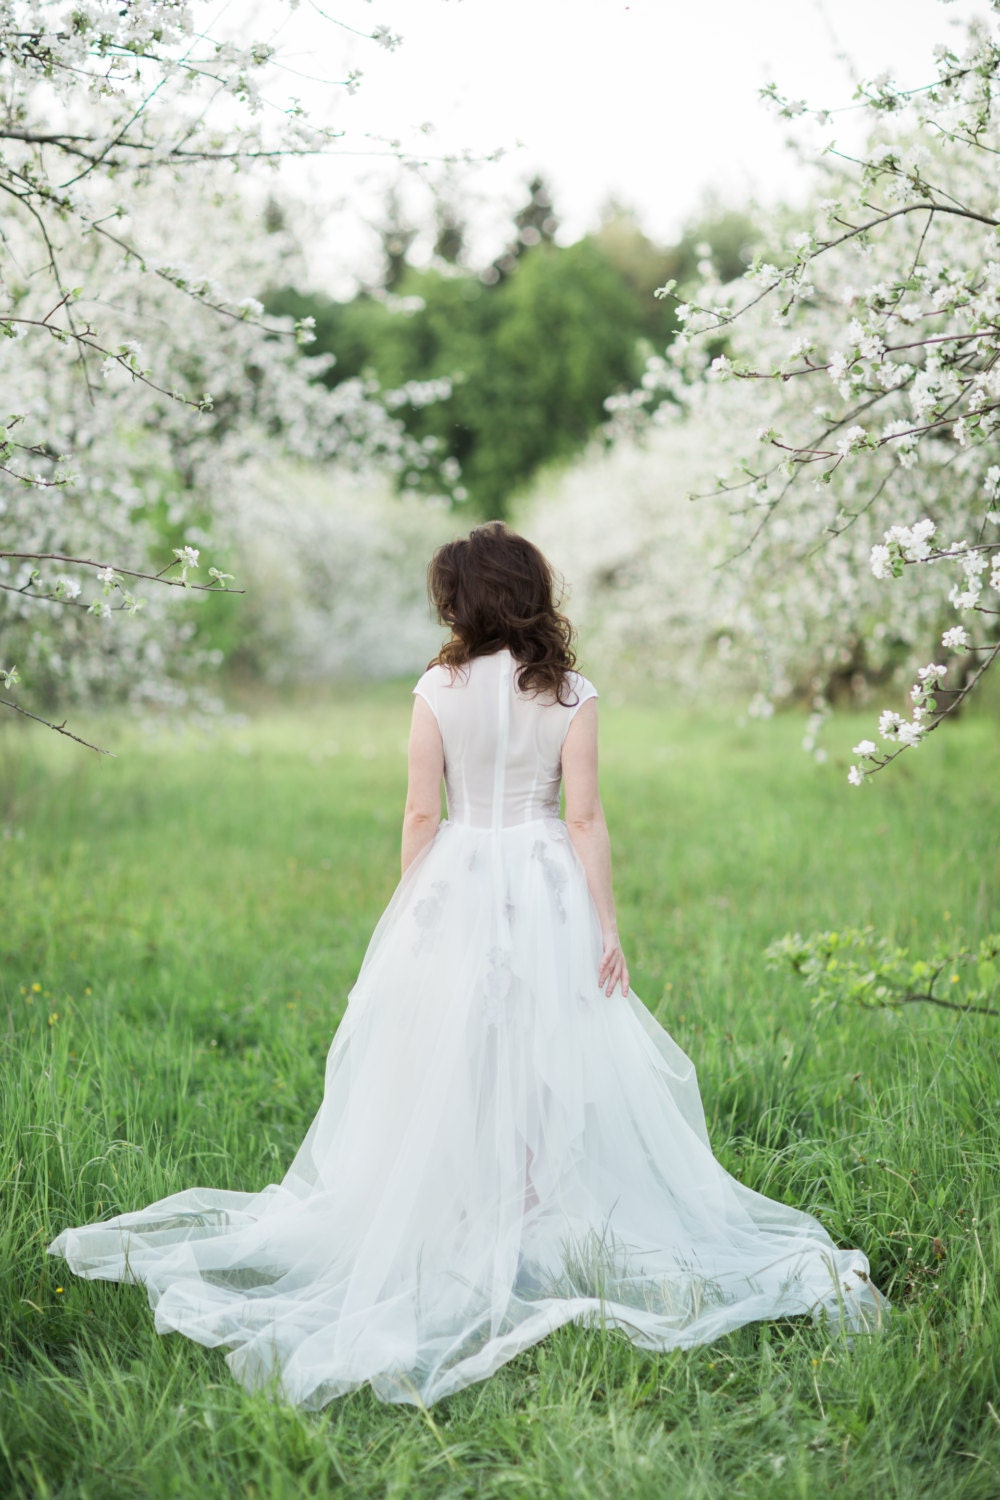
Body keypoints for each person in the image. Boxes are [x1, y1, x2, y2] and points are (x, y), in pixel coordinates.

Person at [49, 522, 884, 1408]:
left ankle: (462, 1212)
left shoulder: (435, 688)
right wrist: (607, 925)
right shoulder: (572, 694)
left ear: (460, 600)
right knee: (542, 1038)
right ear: (531, 593)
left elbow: (420, 812)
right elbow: (586, 819)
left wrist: (415, 913)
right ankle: (527, 1207)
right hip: (541, 881)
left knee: (452, 1045)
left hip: (459, 873)